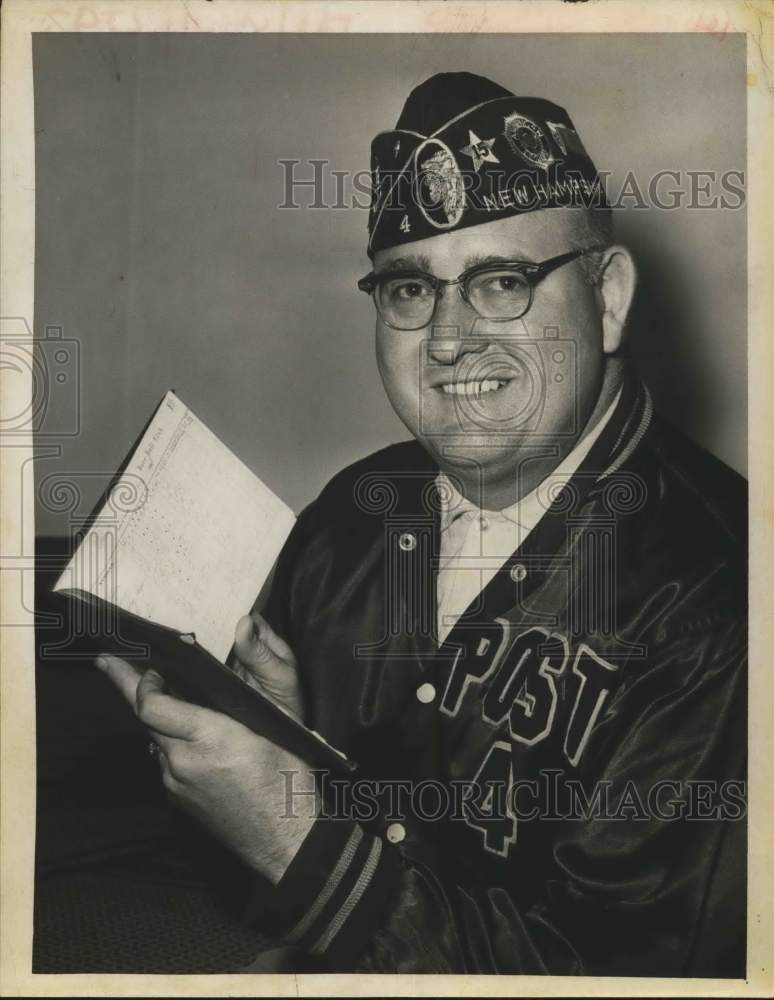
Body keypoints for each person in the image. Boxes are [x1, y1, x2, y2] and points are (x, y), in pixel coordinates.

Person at [97, 72, 747, 976]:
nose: (446, 338)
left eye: (502, 283)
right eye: (410, 290)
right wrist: (285, 754)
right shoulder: (349, 519)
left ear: (607, 298)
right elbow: (243, 889)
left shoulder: (725, 595)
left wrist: (301, 840)